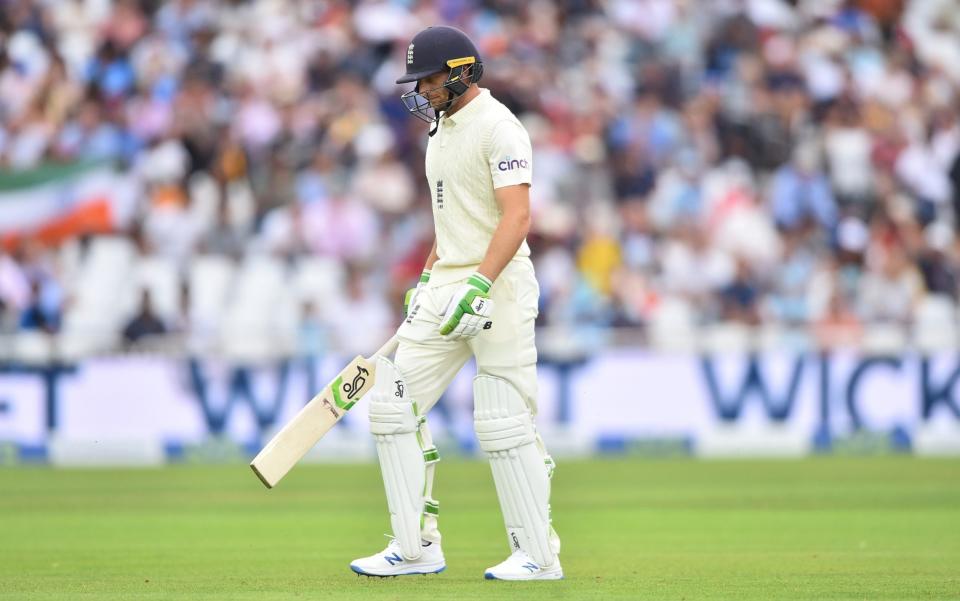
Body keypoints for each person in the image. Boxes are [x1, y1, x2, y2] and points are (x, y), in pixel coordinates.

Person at [349, 26, 562, 581]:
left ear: (462, 71)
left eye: (430, 78)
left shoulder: (500, 127)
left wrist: (481, 283)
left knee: (502, 419)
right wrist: (428, 278)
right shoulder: (439, 131)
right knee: (391, 402)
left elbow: (516, 218)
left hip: (500, 286)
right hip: (447, 284)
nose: (422, 89)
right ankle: (415, 547)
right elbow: (452, 221)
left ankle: (538, 555)